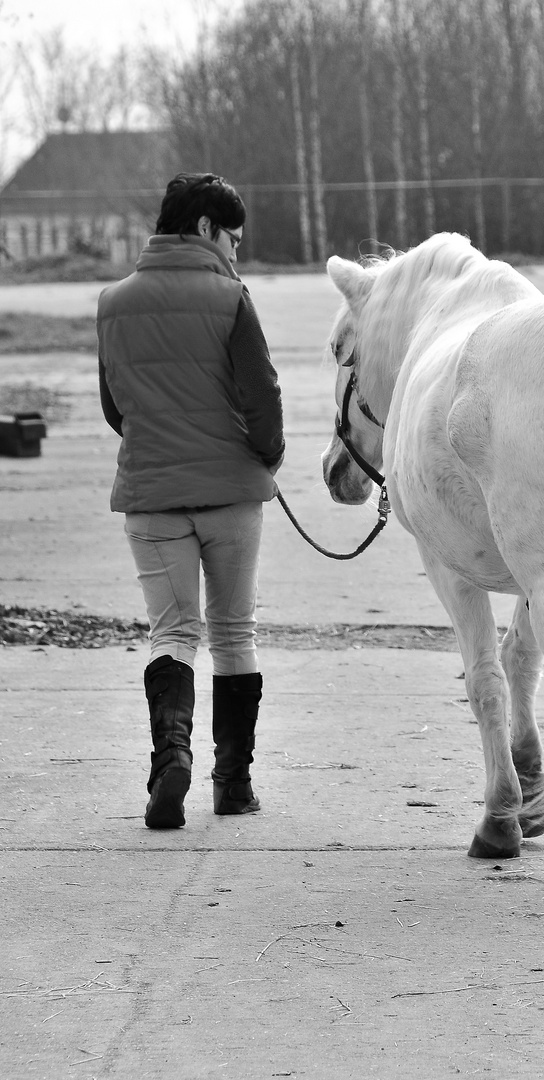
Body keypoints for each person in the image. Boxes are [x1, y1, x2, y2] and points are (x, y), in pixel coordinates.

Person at [97, 172, 285, 829]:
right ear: (206, 228)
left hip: (151, 496)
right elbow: (262, 393)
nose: (236, 252)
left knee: (171, 631)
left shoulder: (112, 302)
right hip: (231, 494)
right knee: (233, 632)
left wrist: (157, 443)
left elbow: (114, 406)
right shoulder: (231, 298)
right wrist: (267, 452)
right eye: (232, 238)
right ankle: (231, 786)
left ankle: (169, 757)